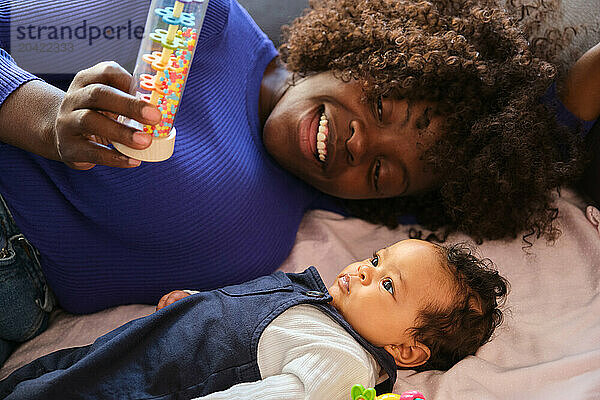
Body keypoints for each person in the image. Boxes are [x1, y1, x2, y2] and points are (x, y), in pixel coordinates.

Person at [0, 0, 596, 364]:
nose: (362, 145)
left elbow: (554, 117)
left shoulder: (319, 197)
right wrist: (44, 118)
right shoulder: (195, 21)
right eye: (385, 105)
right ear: (370, 50)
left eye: (385, 171)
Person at [0, 239, 509, 399]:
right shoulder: (315, 302)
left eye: (388, 284)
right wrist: (199, 303)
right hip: (146, 345)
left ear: (406, 350)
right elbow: (252, 322)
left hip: (156, 385)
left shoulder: (344, 363)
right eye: (376, 259)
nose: (363, 270)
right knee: (52, 376)